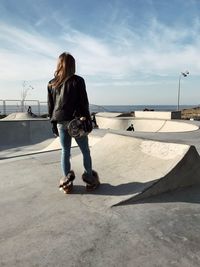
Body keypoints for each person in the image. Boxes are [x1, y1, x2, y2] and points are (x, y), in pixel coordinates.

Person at [47, 52, 100, 193]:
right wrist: (88, 120)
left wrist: (53, 124)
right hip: (76, 123)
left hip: (59, 121)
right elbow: (84, 103)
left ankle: (66, 183)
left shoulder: (51, 83)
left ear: (59, 65)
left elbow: (51, 107)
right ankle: (89, 179)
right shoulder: (78, 80)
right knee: (85, 151)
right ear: (72, 65)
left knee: (65, 151)